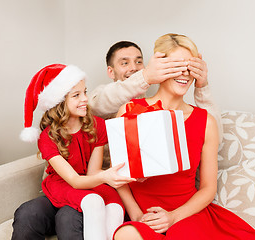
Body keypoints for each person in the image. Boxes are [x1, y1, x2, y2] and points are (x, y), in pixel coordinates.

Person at [12, 40, 222, 240]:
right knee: (29, 213)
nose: (133, 68)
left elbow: (207, 131)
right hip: (76, 186)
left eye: (139, 61)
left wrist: (201, 86)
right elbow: (100, 103)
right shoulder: (103, 100)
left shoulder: (103, 121)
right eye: (124, 62)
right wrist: (145, 76)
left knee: (70, 217)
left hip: (103, 188)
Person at [113, 33, 255, 240]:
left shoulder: (206, 122)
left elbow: (208, 188)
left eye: (190, 66)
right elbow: (118, 175)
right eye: (177, 65)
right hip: (144, 215)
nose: (184, 73)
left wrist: (173, 217)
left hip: (187, 214)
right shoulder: (130, 110)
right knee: (125, 235)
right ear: (160, 67)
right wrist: (137, 214)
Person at [19, 64, 136, 240]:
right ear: (59, 102)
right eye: (76, 95)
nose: (85, 99)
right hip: (63, 185)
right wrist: (105, 177)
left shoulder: (97, 125)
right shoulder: (47, 137)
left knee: (112, 207)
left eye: (85, 92)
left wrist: (113, 175)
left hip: (90, 183)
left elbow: (93, 173)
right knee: (29, 213)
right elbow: (74, 180)